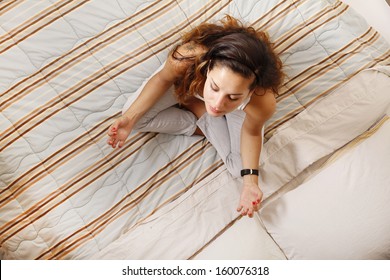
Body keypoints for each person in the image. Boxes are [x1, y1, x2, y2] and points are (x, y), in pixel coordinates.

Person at [107, 16, 283, 218]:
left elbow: (251, 134)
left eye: (233, 97)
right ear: (207, 68)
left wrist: (250, 183)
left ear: (250, 91)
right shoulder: (186, 58)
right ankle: (198, 104)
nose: (217, 104)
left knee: (238, 170)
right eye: (215, 88)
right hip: (190, 81)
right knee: (135, 119)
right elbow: (162, 79)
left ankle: (198, 110)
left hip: (236, 114)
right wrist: (128, 120)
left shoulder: (262, 102)